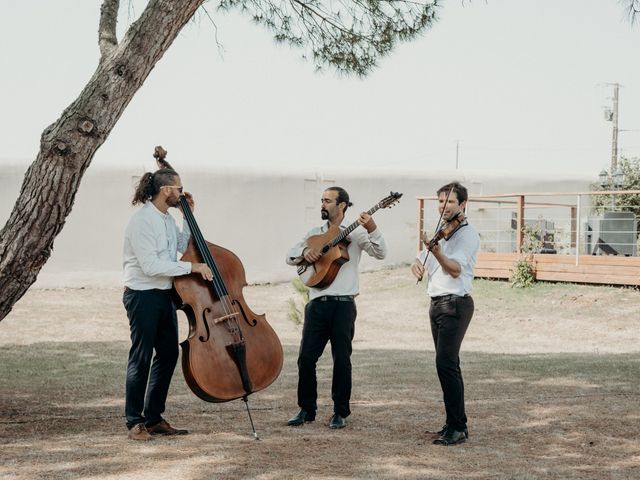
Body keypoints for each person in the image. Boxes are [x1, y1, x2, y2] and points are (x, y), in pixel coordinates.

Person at [122, 168, 213, 441]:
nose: (181, 193)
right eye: (179, 188)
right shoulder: (142, 221)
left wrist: (188, 217)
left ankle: (153, 418)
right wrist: (193, 267)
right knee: (141, 357)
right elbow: (151, 266)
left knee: (168, 354)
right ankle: (134, 422)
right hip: (142, 294)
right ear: (166, 190)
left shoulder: (166, 219)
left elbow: (182, 245)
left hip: (164, 295)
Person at [286, 187, 387, 429]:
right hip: (317, 305)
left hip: (343, 305)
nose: (323, 204)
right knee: (306, 358)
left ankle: (340, 412)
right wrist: (304, 252)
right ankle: (306, 410)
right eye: (322, 200)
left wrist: (372, 227)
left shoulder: (357, 234)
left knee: (342, 359)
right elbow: (290, 257)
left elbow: (381, 253)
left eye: (328, 201)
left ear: (342, 205)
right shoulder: (314, 234)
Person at [410, 181, 479, 446]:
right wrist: (417, 265)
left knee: (446, 363)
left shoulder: (467, 234)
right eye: (440, 201)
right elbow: (420, 258)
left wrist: (437, 254)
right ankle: (454, 423)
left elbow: (454, 269)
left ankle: (458, 428)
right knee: (447, 365)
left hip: (455, 304)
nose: (443, 206)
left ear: (462, 204)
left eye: (449, 202)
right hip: (436, 303)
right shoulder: (442, 231)